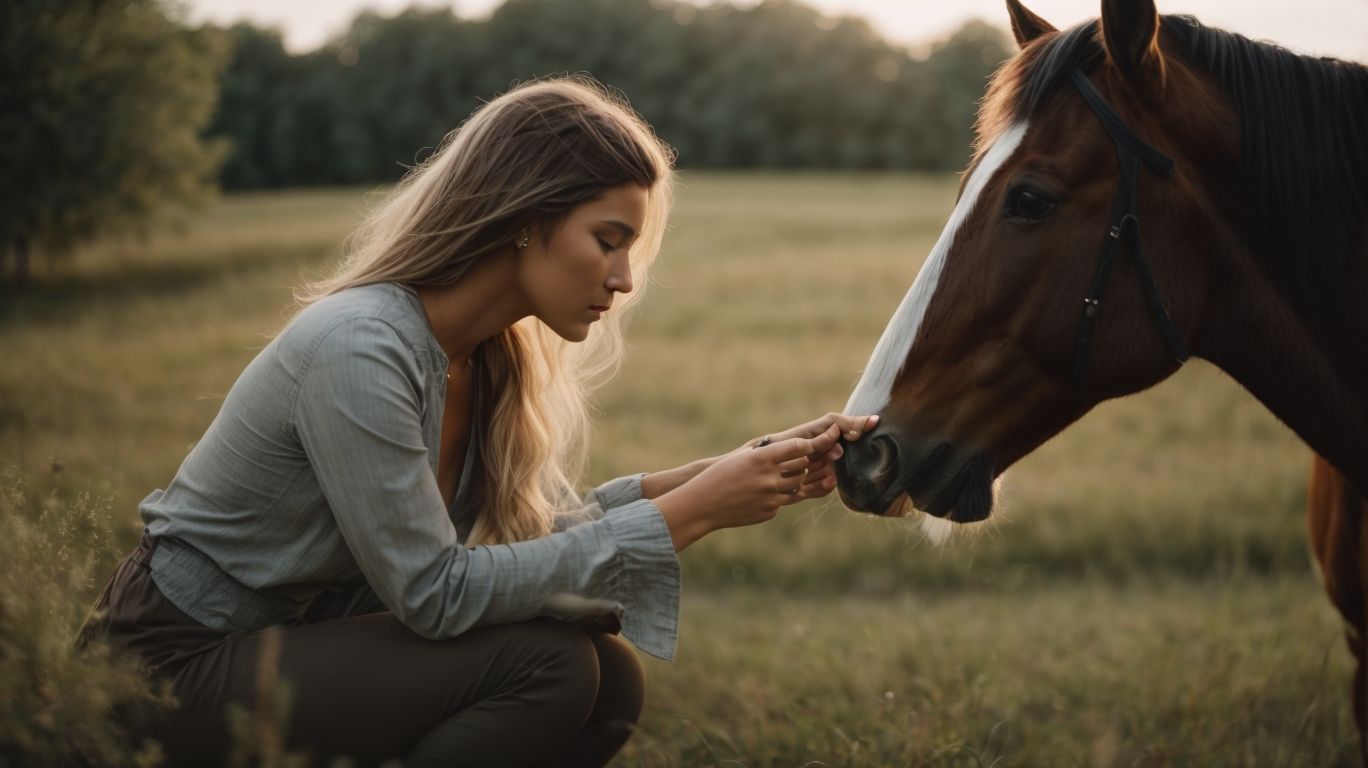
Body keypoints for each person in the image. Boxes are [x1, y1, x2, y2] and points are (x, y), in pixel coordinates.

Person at [78, 76, 876, 767]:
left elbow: (525, 539)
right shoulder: (361, 348)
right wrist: (689, 514)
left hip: (296, 645)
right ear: (528, 218)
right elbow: (434, 593)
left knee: (612, 678)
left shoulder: (483, 357)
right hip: (170, 666)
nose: (625, 278)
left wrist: (736, 468)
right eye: (608, 240)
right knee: (551, 668)